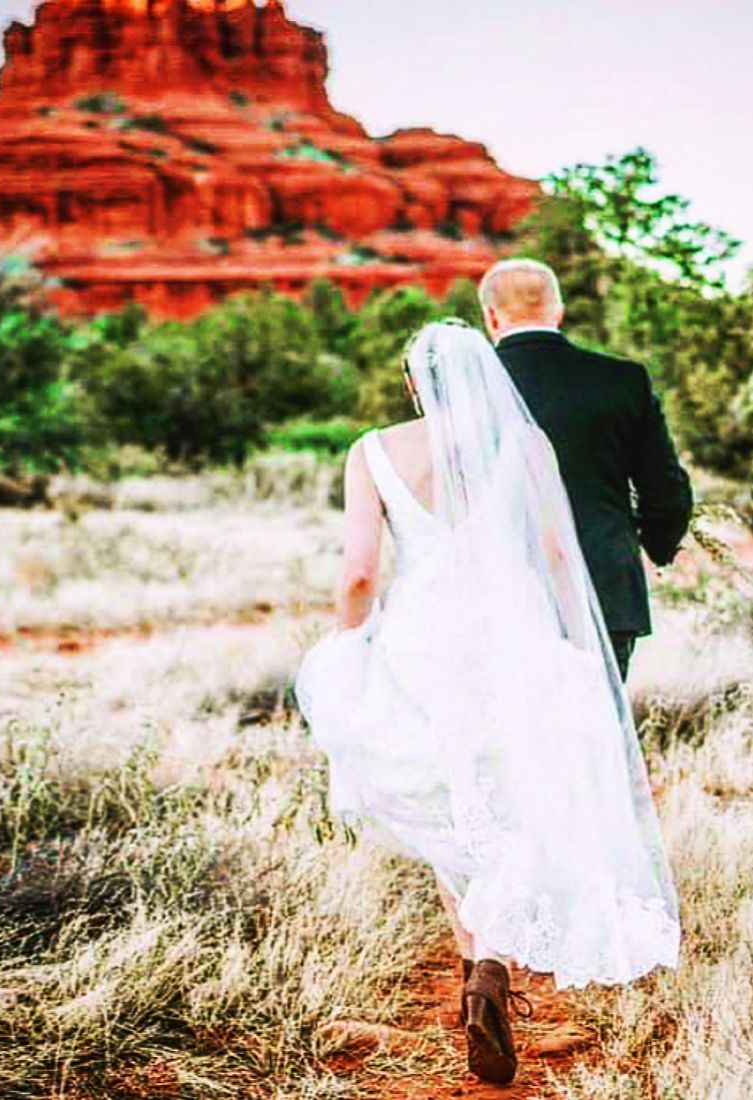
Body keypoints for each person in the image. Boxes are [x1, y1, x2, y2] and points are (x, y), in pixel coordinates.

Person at [296, 320, 680, 1087]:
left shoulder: (373, 452)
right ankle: (492, 967)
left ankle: (478, 962)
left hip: (420, 642)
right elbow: (558, 552)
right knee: (514, 793)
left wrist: (349, 644)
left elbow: (360, 573)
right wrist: (577, 646)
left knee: (448, 802)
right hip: (513, 636)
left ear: (412, 382)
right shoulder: (527, 446)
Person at [482, 259, 694, 681]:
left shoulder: (467, 387)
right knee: (597, 736)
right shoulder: (622, 380)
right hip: (602, 584)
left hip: (496, 588)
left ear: (490, 316)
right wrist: (658, 545)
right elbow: (666, 490)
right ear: (557, 310)